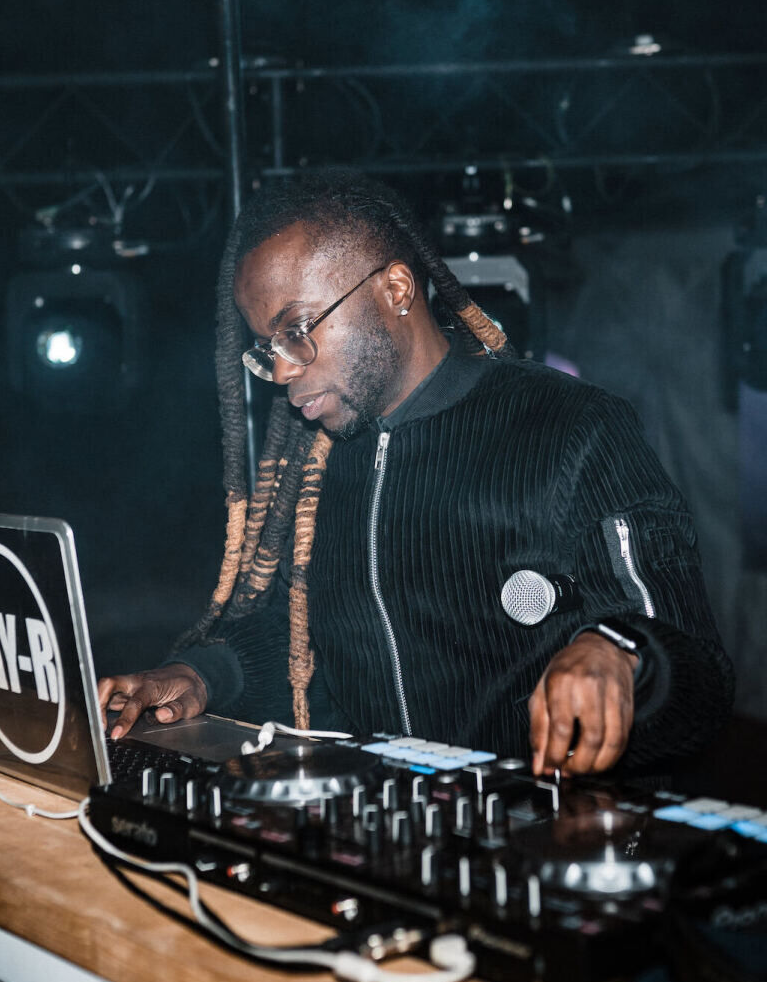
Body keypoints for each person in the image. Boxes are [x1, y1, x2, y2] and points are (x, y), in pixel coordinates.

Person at [99, 171, 734, 777]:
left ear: (396, 289)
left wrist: (618, 655)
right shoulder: (314, 463)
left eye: (297, 329)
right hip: (378, 842)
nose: (285, 370)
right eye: (269, 349)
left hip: (555, 845)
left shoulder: (573, 428)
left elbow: (694, 671)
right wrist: (203, 675)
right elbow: (304, 639)